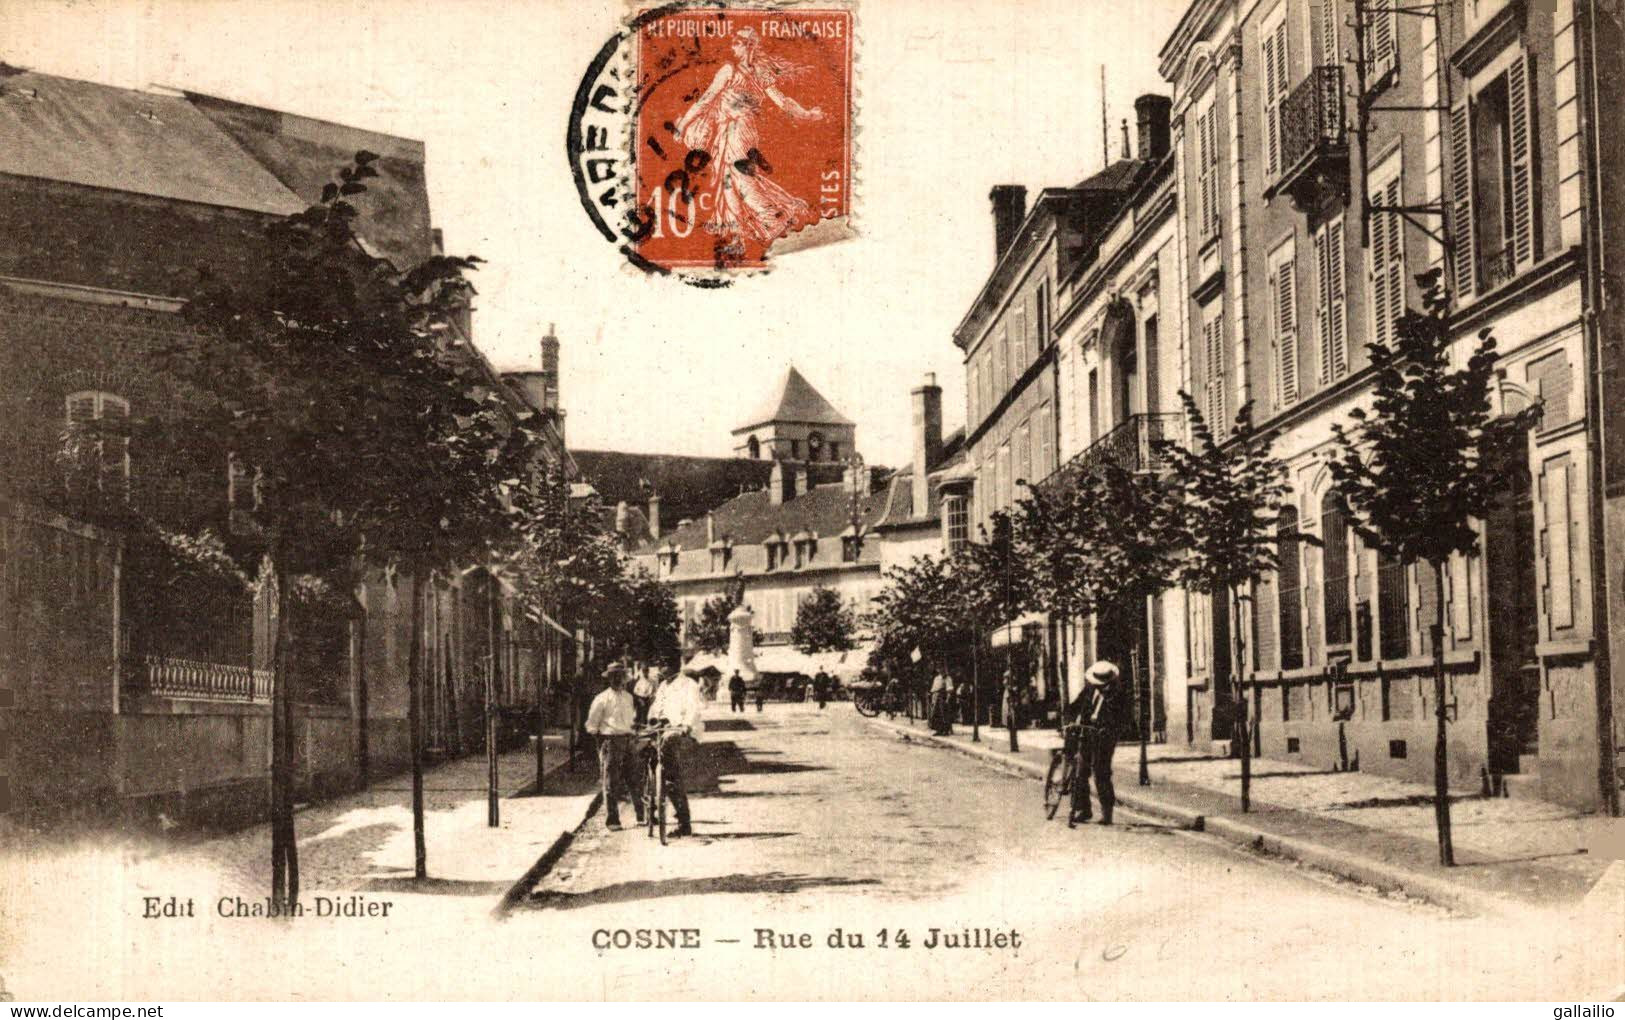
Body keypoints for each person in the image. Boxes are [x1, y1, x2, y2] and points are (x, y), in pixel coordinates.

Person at [670, 26, 826, 258]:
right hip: (741, 130)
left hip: (735, 130)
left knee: (738, 179)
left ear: (748, 46)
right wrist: (807, 114)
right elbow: (782, 101)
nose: (733, 46)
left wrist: (683, 125)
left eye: (737, 43)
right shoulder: (759, 72)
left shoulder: (729, 70)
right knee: (728, 181)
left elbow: (705, 100)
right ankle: (736, 233)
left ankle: (770, 217)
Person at [584, 664, 642, 830]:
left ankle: (641, 815)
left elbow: (631, 719)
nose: (617, 679)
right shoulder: (601, 699)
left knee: (634, 778)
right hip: (610, 741)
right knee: (611, 782)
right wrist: (602, 743)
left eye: (620, 676)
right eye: (614, 676)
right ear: (609, 679)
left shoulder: (629, 698)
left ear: (624, 678)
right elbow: (592, 725)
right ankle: (613, 820)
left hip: (628, 740)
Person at [648, 669, 702, 837]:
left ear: (674, 664)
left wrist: (686, 725)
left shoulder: (689, 685)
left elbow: (694, 709)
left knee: (672, 775)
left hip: (681, 732)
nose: (662, 668)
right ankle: (651, 800)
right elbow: (655, 708)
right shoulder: (663, 685)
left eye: (666, 663)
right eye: (660, 664)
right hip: (662, 730)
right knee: (645, 755)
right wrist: (653, 720)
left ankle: (684, 823)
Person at [1069, 660, 1123, 827]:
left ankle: (1107, 813)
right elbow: (1076, 705)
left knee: (1101, 771)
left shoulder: (1117, 694)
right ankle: (1083, 809)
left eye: (1103, 684)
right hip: (1087, 732)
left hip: (1105, 736)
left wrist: (1110, 729)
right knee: (1080, 770)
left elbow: (1123, 719)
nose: (1100, 686)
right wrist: (1068, 717)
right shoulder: (1090, 688)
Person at [929, 670, 954, 735]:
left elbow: (949, 690)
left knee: (944, 714)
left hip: (943, 697)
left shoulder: (948, 678)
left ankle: (945, 731)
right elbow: (933, 689)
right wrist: (933, 699)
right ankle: (938, 730)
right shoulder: (937, 678)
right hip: (936, 697)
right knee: (936, 714)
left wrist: (947, 699)